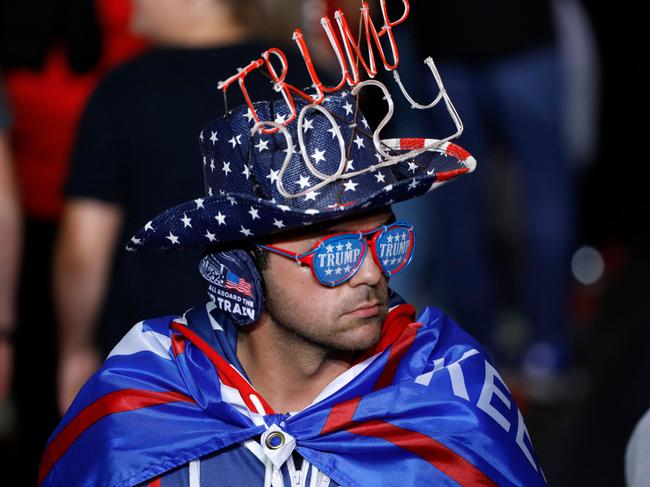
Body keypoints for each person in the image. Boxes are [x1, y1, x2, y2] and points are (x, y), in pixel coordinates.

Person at [40, 6, 547, 485]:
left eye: (386, 242)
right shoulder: (135, 409)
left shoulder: (450, 407)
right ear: (240, 270)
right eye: (334, 253)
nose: (372, 275)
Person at [55, 0, 303, 413]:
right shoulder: (301, 80)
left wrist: (75, 349)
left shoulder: (122, 92)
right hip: (287, 362)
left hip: (153, 366)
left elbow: (83, 250)